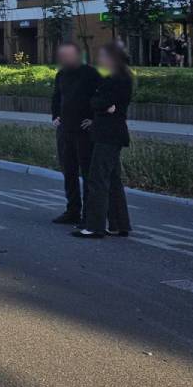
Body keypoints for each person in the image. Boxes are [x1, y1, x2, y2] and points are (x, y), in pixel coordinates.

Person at [73, 42, 134, 239]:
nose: (100, 60)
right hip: (112, 133)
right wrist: (101, 105)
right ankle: (118, 224)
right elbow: (102, 103)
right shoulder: (122, 77)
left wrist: (99, 104)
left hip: (108, 134)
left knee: (97, 179)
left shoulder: (117, 79)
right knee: (113, 180)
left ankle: (94, 226)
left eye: (103, 56)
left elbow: (99, 101)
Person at [49, 41, 100, 225]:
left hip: (84, 131)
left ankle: (89, 213)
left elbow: (100, 97)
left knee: (87, 173)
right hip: (65, 130)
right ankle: (72, 210)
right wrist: (55, 116)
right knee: (68, 172)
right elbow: (56, 97)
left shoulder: (90, 74)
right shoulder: (61, 75)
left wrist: (94, 119)